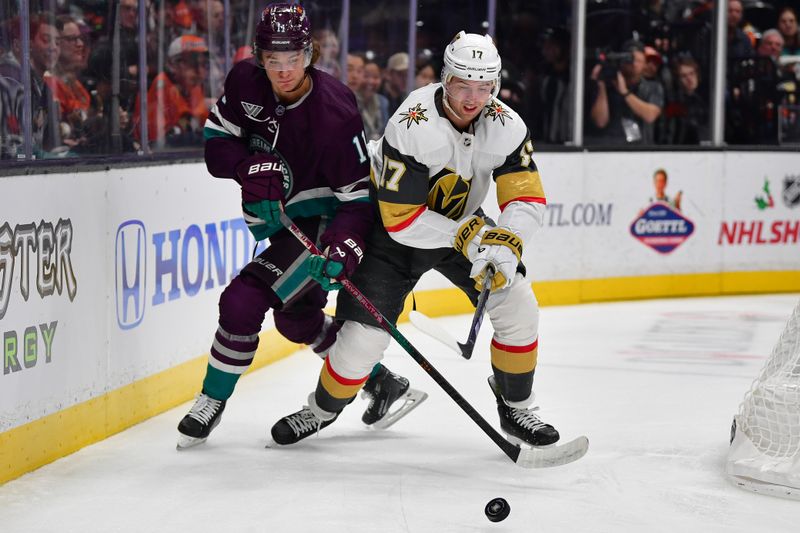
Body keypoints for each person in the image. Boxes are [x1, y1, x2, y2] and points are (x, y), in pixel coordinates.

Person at [270, 31, 561, 451]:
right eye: (463, 84)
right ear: (445, 78)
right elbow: (402, 219)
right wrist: (473, 237)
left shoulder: (507, 125)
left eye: (484, 86)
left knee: (516, 299)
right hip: (393, 235)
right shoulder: (412, 122)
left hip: (464, 226)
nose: (472, 98)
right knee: (362, 340)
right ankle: (322, 409)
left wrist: (507, 240)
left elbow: (526, 196)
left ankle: (517, 406)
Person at [177, 3, 424, 449]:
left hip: (324, 222)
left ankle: (209, 402)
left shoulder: (335, 111)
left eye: (293, 59)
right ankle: (381, 382)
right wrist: (248, 165)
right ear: (259, 57)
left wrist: (343, 247)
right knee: (296, 320)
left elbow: (357, 201)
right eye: (274, 60)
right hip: (284, 222)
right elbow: (216, 145)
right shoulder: (244, 82)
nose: (284, 70)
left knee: (243, 300)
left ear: (309, 54)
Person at [133, 34, 210, 147]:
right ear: (173, 64)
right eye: (192, 63)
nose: (199, 71)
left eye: (203, 64)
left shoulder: (195, 88)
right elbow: (158, 144)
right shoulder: (160, 87)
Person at [588, 39, 664, 145]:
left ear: (644, 64)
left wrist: (625, 92)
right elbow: (600, 122)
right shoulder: (608, 85)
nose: (633, 64)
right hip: (612, 149)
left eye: (638, 60)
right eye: (629, 59)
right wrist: (601, 86)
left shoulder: (652, 87)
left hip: (642, 151)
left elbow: (650, 115)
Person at [357, 59, 389, 141]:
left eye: (375, 77)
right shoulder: (350, 101)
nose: (370, 81)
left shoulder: (383, 102)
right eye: (366, 76)